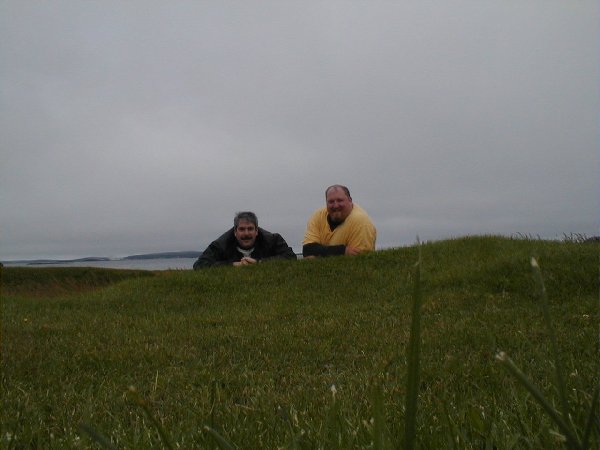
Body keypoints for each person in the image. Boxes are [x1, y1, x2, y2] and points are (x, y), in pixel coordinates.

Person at [193, 211, 297, 269]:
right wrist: (233, 265)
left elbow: (290, 257)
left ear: (257, 231)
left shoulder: (273, 240)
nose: (246, 233)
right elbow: (199, 265)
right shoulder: (221, 244)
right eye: (242, 229)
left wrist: (259, 263)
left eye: (250, 229)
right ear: (235, 232)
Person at [302, 184, 376, 258]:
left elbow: (358, 260)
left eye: (340, 200)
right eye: (331, 202)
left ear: (350, 200)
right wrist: (342, 251)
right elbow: (307, 250)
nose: (336, 205)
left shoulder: (361, 222)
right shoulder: (318, 215)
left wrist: (319, 253)